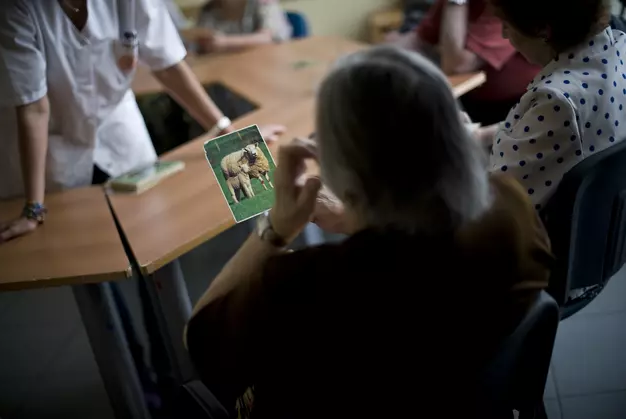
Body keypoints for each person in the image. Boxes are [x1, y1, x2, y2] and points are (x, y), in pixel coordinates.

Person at [185, 46, 552, 418]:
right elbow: (420, 252)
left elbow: (200, 340)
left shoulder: (309, 285)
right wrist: (354, 219)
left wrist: (277, 227)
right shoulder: (510, 207)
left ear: (344, 175)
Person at [0, 0, 284, 242]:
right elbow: (34, 109)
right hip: (47, 141)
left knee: (154, 233)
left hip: (115, 123)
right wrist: (33, 207)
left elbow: (168, 64)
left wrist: (226, 132)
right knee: (74, 248)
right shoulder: (15, 8)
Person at [478, 0, 625, 210]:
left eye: (507, 25)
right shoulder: (618, 51)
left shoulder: (557, 100)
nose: (503, 34)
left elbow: (497, 205)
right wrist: (482, 136)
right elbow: (565, 134)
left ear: (542, 30)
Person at [388, 0, 540, 125]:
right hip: (468, 100)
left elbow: (457, 65)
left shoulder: (504, 6)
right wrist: (373, 57)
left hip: (512, 111)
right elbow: (419, 40)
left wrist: (457, 2)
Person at [186, 0, 291, 54]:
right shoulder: (208, 9)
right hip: (226, 68)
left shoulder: (262, 2)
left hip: (267, 63)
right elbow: (199, 47)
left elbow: (268, 37)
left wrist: (224, 42)